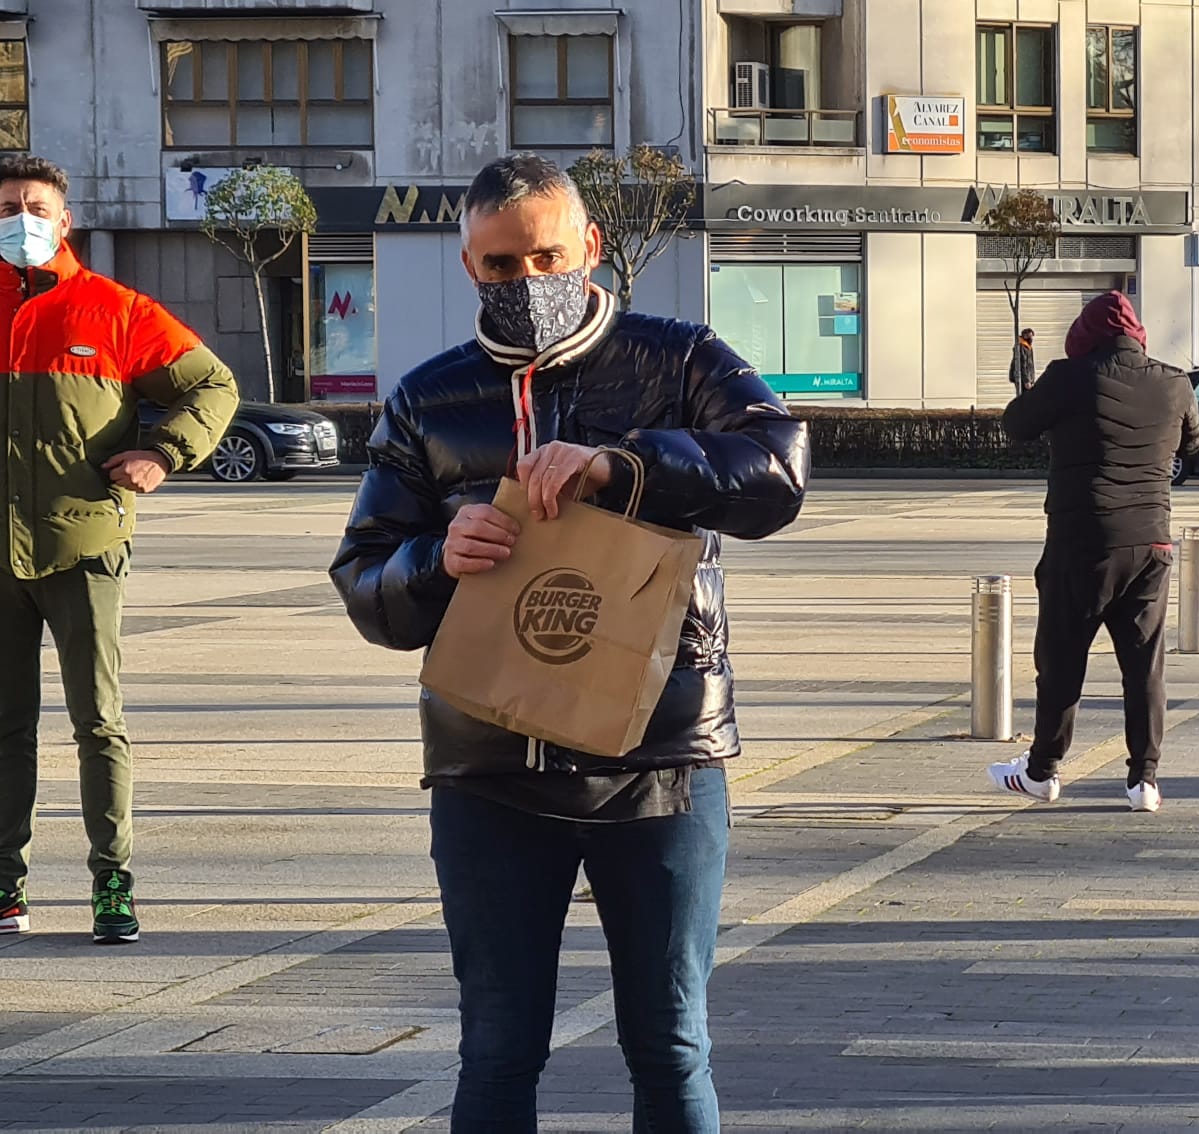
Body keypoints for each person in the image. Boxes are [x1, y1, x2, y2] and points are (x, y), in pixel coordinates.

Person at [330, 154, 807, 1132]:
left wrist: (622, 466)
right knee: (498, 1054)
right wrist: (431, 560)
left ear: (591, 248)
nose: (527, 281)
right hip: (489, 770)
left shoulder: (679, 361)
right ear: (470, 265)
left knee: (670, 1050)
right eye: (501, 265)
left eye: (547, 255)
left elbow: (777, 473)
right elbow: (367, 584)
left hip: (663, 761)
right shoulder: (430, 399)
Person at [0, 154, 239, 943]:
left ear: (64, 220)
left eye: (36, 206)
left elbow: (213, 386)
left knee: (97, 721)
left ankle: (112, 884)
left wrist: (163, 453)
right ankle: (7, 886)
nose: (22, 219)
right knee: (5, 726)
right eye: (9, 206)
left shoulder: (117, 311)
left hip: (86, 544)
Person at [989, 291, 1199, 813]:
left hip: (1081, 542)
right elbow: (1193, 442)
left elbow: (1015, 424)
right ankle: (1144, 781)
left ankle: (1042, 771)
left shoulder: (1069, 378)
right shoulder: (1175, 383)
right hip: (1152, 543)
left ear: (1085, 336)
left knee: (1061, 660)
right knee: (1145, 665)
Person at [1011, 328, 1037, 396]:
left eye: (1032, 336)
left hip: (1027, 378)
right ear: (1025, 336)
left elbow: (1030, 365)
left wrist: (1032, 379)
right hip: (1022, 378)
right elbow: (1023, 364)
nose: (1031, 339)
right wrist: (1026, 381)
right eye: (1030, 336)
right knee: (1023, 397)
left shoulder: (1028, 347)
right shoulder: (1021, 346)